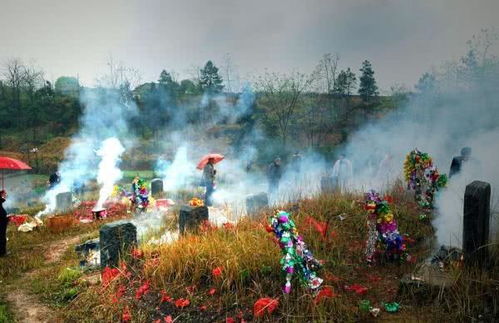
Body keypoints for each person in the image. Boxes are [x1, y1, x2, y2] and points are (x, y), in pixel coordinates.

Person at [0, 190, 9, 257]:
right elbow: (2, 200)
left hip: (3, 219)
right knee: (2, 236)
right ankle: (2, 252)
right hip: (1, 220)